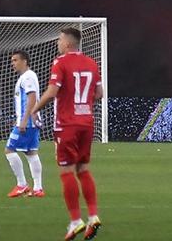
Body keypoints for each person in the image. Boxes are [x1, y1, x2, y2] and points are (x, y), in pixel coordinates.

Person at [26, 25, 101, 239]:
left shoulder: (60, 62)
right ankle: (93, 216)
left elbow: (52, 92)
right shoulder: (92, 63)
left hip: (67, 124)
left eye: (59, 40)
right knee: (84, 169)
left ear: (67, 43)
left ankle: (75, 221)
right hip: (87, 122)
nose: (57, 43)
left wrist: (34, 109)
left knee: (66, 172)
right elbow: (100, 93)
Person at [5, 50, 45, 198]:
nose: (12, 63)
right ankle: (38, 188)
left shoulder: (27, 77)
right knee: (31, 152)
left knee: (9, 150)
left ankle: (22, 185)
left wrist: (23, 120)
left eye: (15, 60)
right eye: (12, 60)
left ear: (25, 61)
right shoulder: (28, 76)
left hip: (26, 122)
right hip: (31, 121)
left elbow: (32, 98)